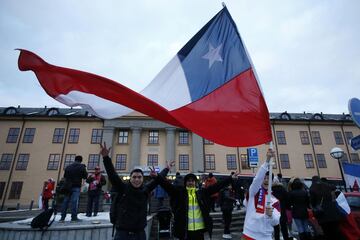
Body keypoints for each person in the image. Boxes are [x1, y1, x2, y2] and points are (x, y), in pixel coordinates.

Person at [100, 142, 170, 240]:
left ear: (142, 179)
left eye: (139, 177)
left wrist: (166, 169)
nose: (137, 180)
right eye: (134, 177)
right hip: (122, 233)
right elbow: (112, 175)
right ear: (130, 178)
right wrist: (106, 157)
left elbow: (158, 180)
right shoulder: (123, 188)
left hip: (140, 233)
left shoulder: (145, 189)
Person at [157, 169, 237, 240]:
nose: (190, 182)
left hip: (199, 231)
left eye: (192, 181)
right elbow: (167, 186)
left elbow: (216, 186)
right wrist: (157, 177)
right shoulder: (180, 194)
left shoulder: (202, 193)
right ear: (185, 183)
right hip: (185, 231)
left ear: (195, 182)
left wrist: (230, 178)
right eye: (188, 181)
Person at [241, 149, 280, 240]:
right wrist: (267, 161)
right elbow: (257, 179)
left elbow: (276, 222)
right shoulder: (254, 193)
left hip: (265, 237)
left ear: (272, 181)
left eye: (268, 178)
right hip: (248, 234)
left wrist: (271, 215)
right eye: (264, 178)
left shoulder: (275, 201)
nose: (266, 180)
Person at [60, 155, 88, 222]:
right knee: (74, 202)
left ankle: (62, 217)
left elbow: (65, 176)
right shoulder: (81, 167)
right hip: (76, 186)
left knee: (65, 202)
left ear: (75, 160)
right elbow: (85, 176)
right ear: (81, 160)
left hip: (68, 186)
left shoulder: (68, 167)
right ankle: (74, 217)